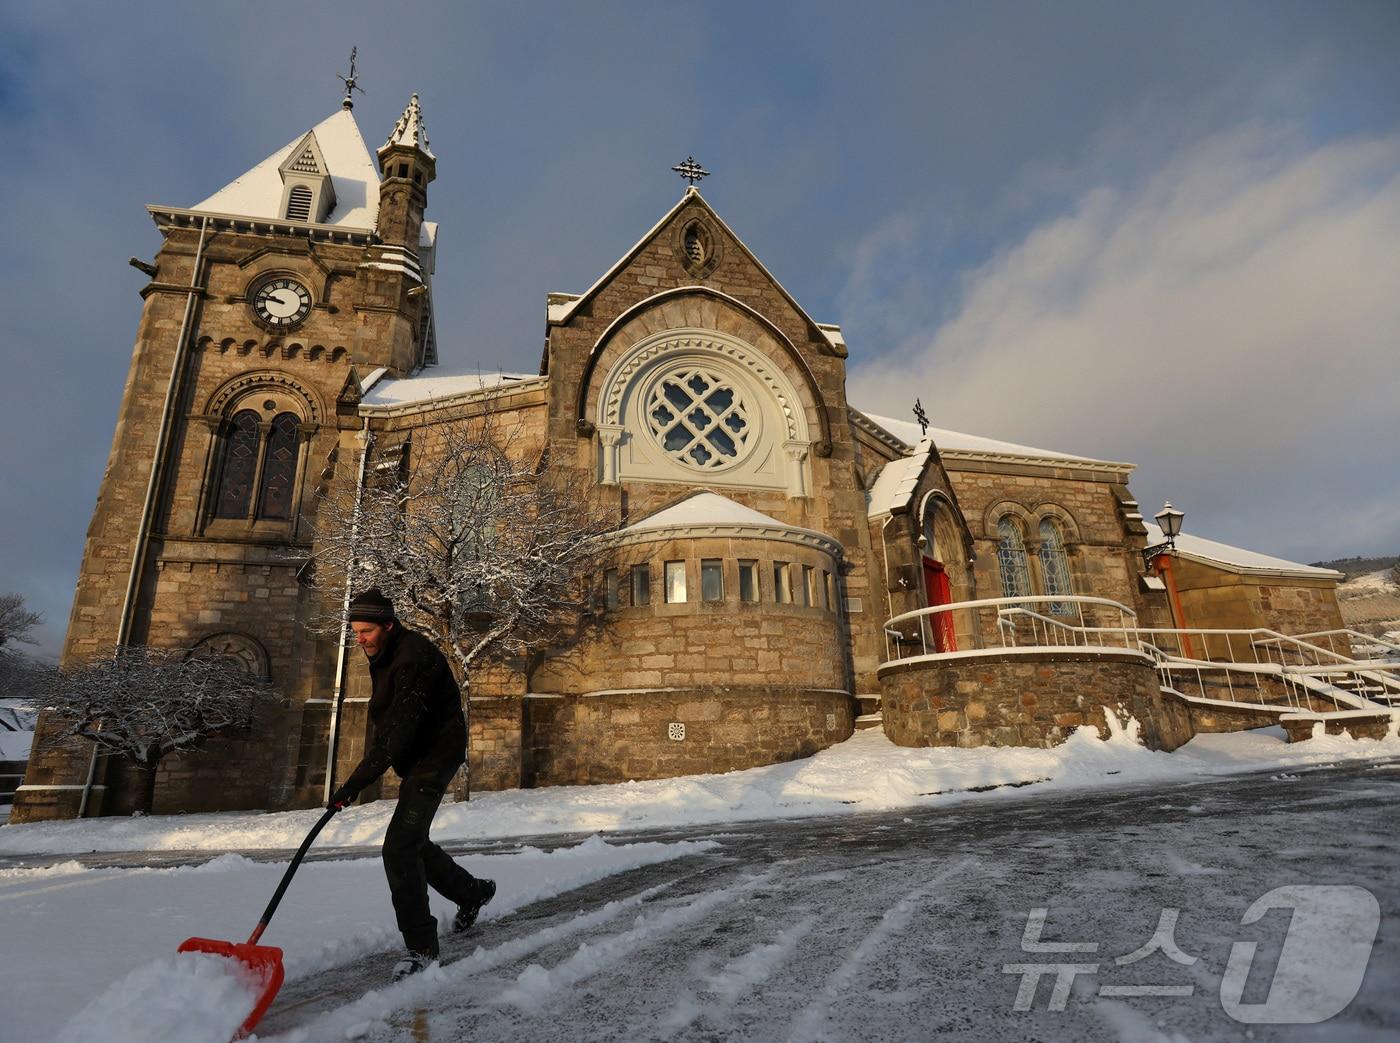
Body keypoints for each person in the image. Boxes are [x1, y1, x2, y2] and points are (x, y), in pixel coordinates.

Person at [328, 588, 495, 981]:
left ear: (388, 625)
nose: (360, 638)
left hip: (435, 758)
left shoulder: (413, 658)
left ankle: (422, 949)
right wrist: (356, 782)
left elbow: (398, 733)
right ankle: (471, 892)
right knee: (412, 840)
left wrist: (353, 784)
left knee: (399, 847)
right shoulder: (384, 654)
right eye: (356, 631)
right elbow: (387, 724)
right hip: (417, 758)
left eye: (366, 630)